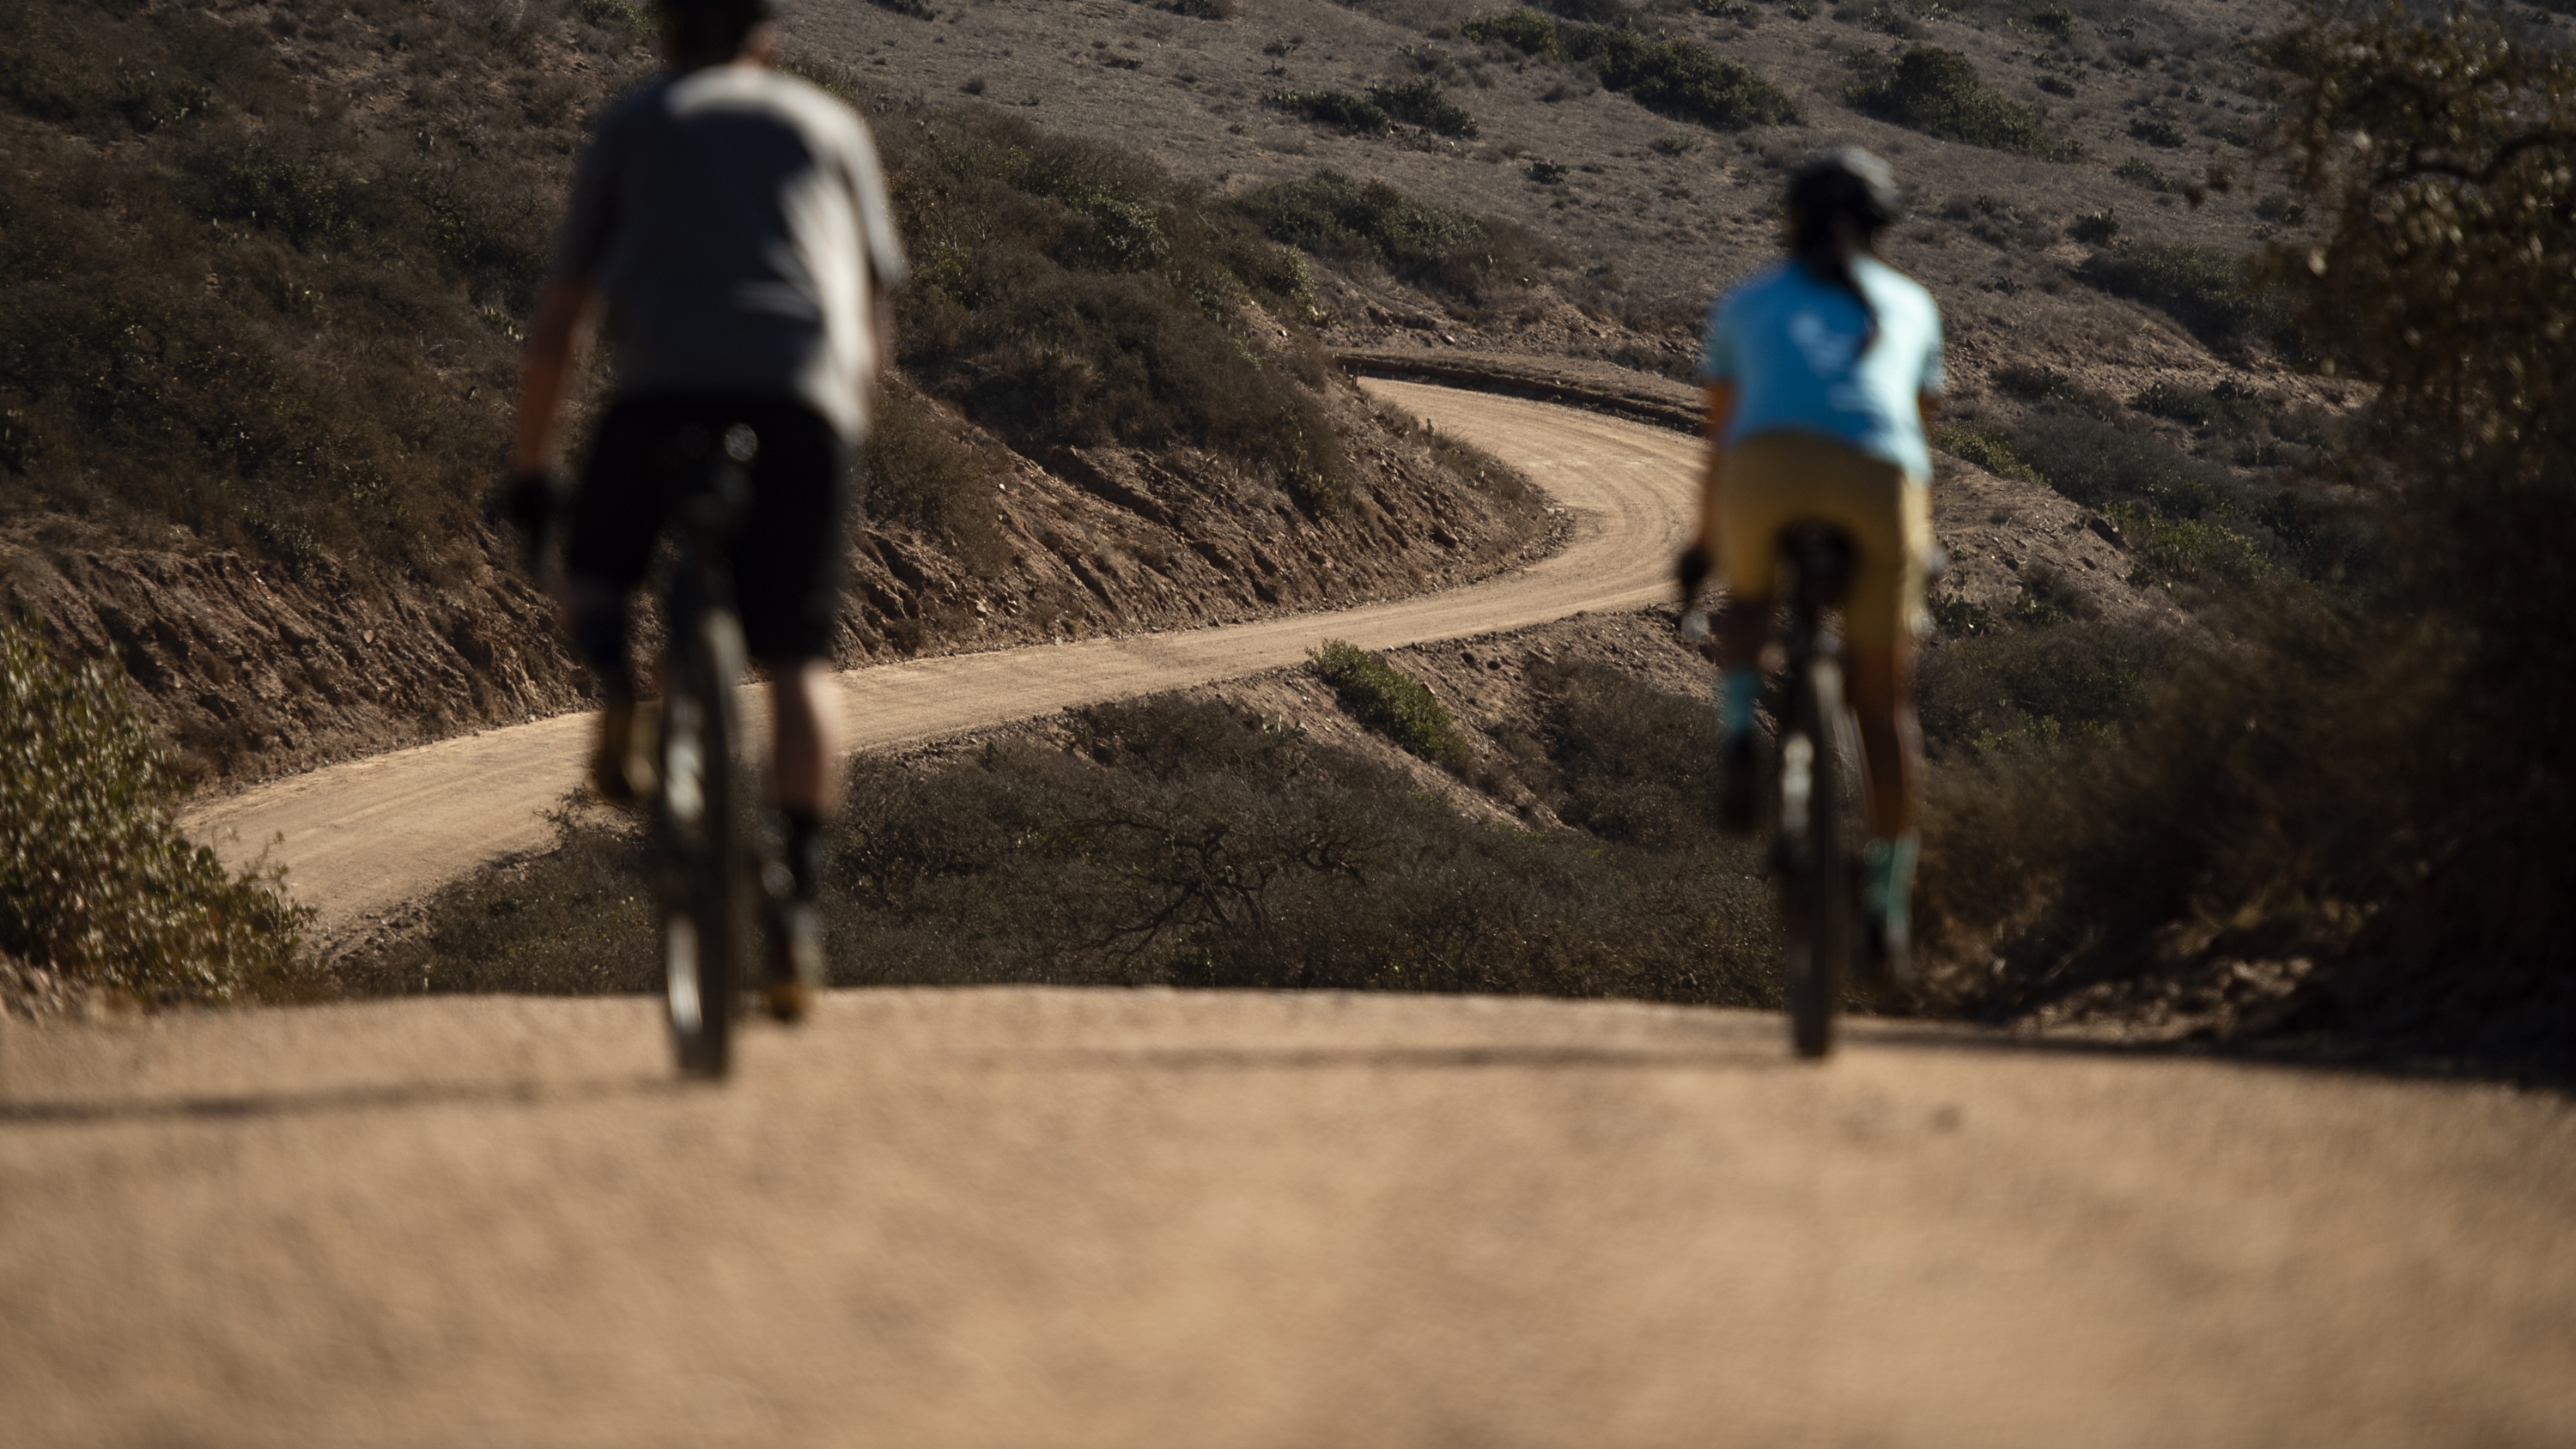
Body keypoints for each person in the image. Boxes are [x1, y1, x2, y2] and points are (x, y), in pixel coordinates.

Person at [503, 0, 908, 1020]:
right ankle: (799, 907)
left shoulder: (634, 124)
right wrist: (840, 425)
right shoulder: (832, 127)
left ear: (666, 38)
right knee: (803, 663)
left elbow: (563, 324)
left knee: (595, 570)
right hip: (803, 408)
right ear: (767, 45)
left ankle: (619, 692)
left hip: (661, 400)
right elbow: (872, 318)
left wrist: (533, 468)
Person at [1677, 148, 1942, 985]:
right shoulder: (1912, 304)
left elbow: (1720, 437)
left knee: (1750, 600)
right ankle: (1888, 904)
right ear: (1884, 231)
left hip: (1764, 472)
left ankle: (1736, 737)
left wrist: (1701, 546)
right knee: (1882, 703)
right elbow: (1916, 436)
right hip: (1879, 481)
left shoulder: (1746, 303)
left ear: (1788, 225)